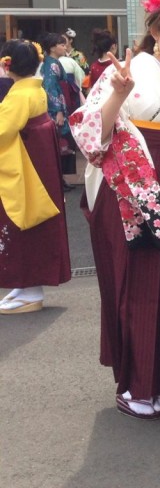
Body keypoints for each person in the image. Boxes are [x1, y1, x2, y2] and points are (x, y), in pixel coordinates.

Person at [70, 0, 160, 419]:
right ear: (154, 29)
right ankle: (135, 386)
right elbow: (90, 133)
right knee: (138, 280)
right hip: (132, 186)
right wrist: (117, 93)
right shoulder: (128, 73)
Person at [0, 40, 71, 314]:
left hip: (25, 170)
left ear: (7, 65)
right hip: (36, 168)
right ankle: (24, 285)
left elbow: (3, 131)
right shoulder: (35, 89)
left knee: (21, 224)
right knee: (30, 225)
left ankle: (29, 289)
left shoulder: (18, 96)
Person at [39, 33, 75, 184]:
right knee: (58, 142)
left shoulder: (52, 62)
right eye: (62, 44)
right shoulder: (51, 64)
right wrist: (58, 111)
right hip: (55, 108)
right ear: (52, 48)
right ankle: (58, 179)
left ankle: (60, 178)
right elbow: (51, 88)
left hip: (60, 102)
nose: (65, 47)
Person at [87, 29, 118, 95]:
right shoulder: (117, 65)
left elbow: (91, 87)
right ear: (113, 46)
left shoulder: (94, 66)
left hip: (96, 99)